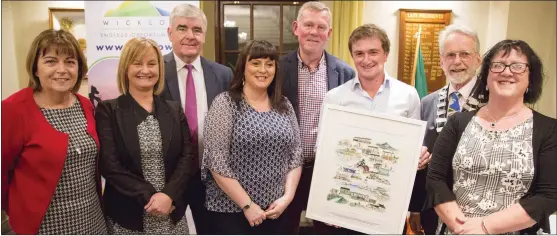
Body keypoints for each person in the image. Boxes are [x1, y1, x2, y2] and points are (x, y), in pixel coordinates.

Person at [425, 39, 557, 234]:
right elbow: (435, 179)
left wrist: (485, 227)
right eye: (498, 65)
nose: (506, 71)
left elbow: (548, 196)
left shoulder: (549, 130)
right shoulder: (457, 123)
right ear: (486, 76)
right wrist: (463, 229)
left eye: (518, 66)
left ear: (531, 78)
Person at [319, 23, 431, 235]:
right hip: (347, 204)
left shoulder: (408, 96)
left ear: (385, 54)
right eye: (359, 53)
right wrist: (330, 206)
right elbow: (324, 153)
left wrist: (418, 157)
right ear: (352, 56)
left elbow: (414, 148)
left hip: (389, 205)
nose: (366, 59)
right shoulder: (335, 97)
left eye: (373, 52)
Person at [1, 29, 107, 234]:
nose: (62, 69)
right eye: (50, 61)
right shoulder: (13, 110)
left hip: (91, 219)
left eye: (70, 61)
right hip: (44, 225)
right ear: (35, 68)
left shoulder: (86, 105)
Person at [201, 40, 303, 234]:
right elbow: (216, 161)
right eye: (256, 63)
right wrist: (247, 205)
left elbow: (295, 155)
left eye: (269, 64)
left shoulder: (284, 105)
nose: (263, 70)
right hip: (230, 212)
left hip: (276, 210)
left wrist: (287, 198)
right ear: (243, 67)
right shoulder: (226, 103)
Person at [95, 37, 196, 234]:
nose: (145, 70)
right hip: (129, 216)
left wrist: (168, 195)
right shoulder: (109, 110)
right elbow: (110, 166)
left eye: (151, 64)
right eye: (137, 63)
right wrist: (152, 197)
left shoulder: (174, 109)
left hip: (172, 213)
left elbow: (188, 156)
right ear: (126, 68)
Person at [278, 2, 356, 233]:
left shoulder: (345, 73)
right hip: (286, 169)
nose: (314, 32)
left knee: (329, 230)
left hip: (327, 170)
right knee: (284, 228)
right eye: (308, 25)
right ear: (296, 27)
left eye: (321, 27)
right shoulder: (277, 70)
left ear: (329, 33)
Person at [160, 4, 234, 234]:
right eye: (182, 28)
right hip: (168, 178)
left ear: (204, 35)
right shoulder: (155, 71)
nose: (190, 36)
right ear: (170, 33)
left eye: (197, 30)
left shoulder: (223, 74)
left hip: (212, 178)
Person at [413, 24, 484, 234]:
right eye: (450, 55)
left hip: (478, 208)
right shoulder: (427, 103)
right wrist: (415, 209)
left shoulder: (493, 102)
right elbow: (421, 160)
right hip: (432, 207)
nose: (457, 61)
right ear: (442, 61)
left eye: (465, 54)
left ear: (478, 59)